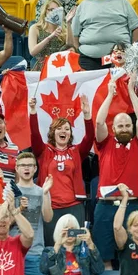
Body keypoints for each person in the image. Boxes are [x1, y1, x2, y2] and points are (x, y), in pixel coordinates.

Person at [93, 78, 138, 270]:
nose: (124, 128)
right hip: (105, 206)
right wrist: (110, 95)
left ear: (131, 129)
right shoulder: (105, 143)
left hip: (132, 205)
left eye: (127, 126)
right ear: (113, 129)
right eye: (120, 126)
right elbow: (99, 121)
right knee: (104, 257)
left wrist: (132, 92)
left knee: (131, 255)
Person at [29, 95, 93, 246]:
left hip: (74, 207)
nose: (63, 131)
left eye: (67, 129)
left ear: (70, 134)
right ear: (53, 132)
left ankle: (74, 270)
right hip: (50, 208)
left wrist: (87, 115)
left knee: (74, 244)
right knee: (53, 247)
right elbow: (35, 134)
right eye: (59, 128)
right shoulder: (44, 151)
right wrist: (32, 111)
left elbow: (90, 137)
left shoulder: (76, 151)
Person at [12, 152, 54, 275]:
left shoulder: (41, 190)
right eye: (23, 165)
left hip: (36, 253)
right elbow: (2, 222)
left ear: (35, 169)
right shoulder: (10, 191)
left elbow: (47, 218)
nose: (27, 168)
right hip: (13, 253)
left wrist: (45, 194)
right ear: (17, 168)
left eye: (30, 165)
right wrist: (18, 210)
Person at [72, 0, 138, 70]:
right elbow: (75, 33)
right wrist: (78, 51)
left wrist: (132, 49)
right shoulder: (84, 4)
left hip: (118, 56)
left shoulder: (122, 2)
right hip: (88, 57)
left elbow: (136, 26)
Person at [29, 0, 74, 71]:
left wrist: (68, 23)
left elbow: (71, 47)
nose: (55, 12)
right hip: (41, 68)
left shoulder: (63, 30)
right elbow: (33, 52)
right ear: (45, 11)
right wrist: (50, 37)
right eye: (51, 10)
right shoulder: (35, 28)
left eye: (57, 10)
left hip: (59, 67)